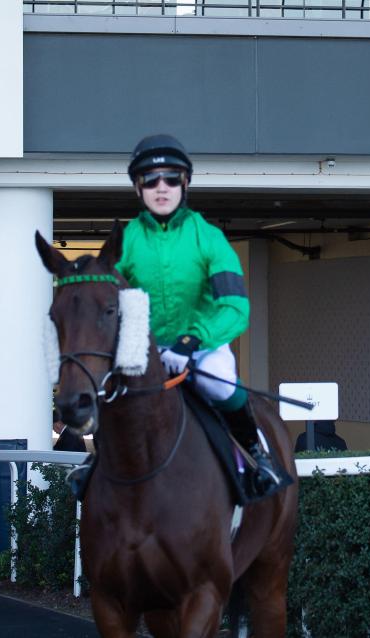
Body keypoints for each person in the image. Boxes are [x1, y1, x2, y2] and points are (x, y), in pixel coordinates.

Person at [70, 134, 290, 501]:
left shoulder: (209, 238)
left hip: (202, 348)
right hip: (144, 351)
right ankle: (98, 462)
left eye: (171, 178)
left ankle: (257, 456)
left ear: (184, 183)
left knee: (222, 384)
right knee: (110, 388)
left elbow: (236, 306)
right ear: (138, 187)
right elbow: (106, 300)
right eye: (150, 180)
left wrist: (191, 341)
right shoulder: (125, 242)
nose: (161, 187)